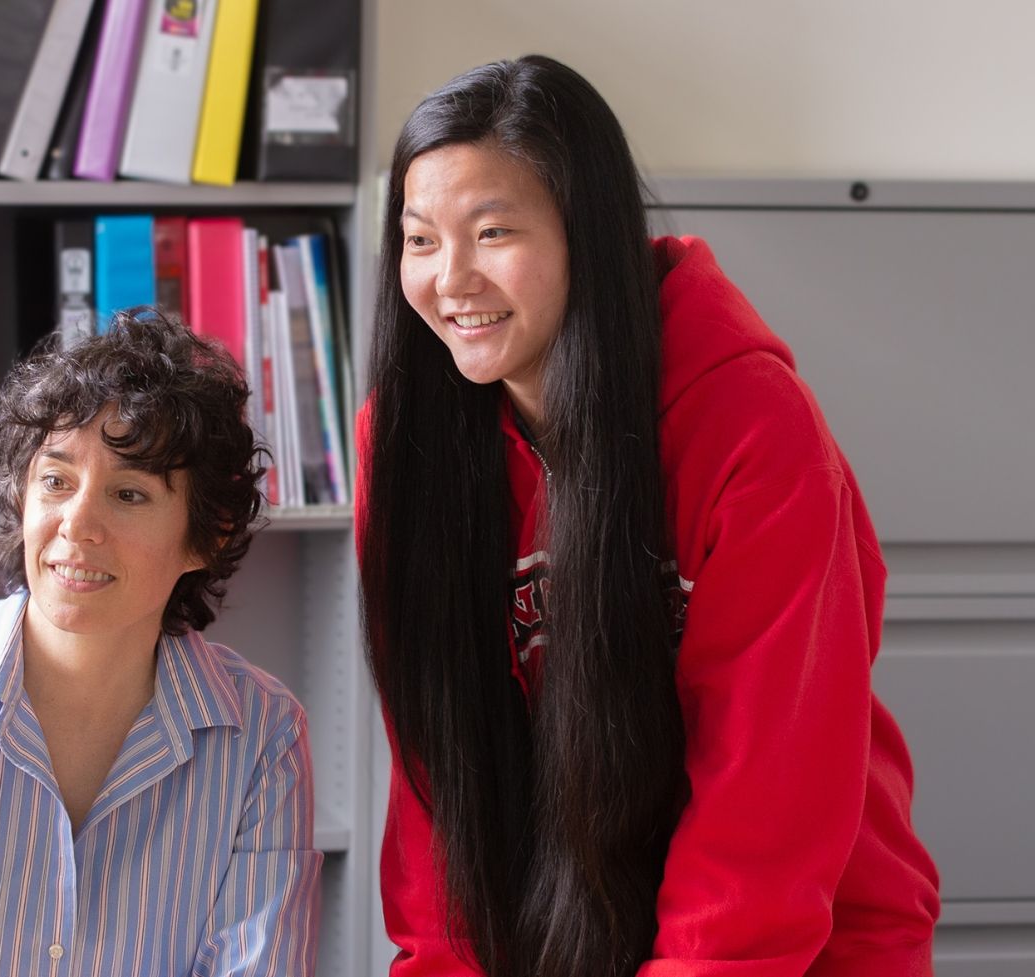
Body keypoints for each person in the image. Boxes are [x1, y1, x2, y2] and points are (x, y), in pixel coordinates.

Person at [357, 55, 940, 977]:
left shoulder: (751, 426)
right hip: (554, 939)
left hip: (793, 943)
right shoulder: (404, 445)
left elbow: (768, 793)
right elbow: (438, 771)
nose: (450, 277)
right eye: (420, 240)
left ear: (588, 237)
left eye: (493, 230)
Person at [0, 309, 321, 976]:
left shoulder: (264, 735)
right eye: (55, 480)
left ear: (207, 535)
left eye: (128, 493)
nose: (77, 524)